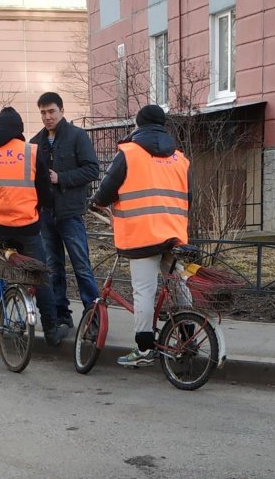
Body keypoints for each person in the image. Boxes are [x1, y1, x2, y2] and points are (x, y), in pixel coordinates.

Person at [89, 104, 192, 367]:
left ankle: (144, 350)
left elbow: (106, 190)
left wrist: (96, 201)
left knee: (144, 291)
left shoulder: (130, 153)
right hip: (174, 233)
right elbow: (188, 197)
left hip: (142, 236)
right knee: (179, 285)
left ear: (138, 124)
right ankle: (188, 336)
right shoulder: (179, 158)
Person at [0, 107, 69, 346]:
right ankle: (51, 330)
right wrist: (34, 209)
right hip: (27, 228)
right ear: (19, 130)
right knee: (39, 274)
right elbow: (45, 193)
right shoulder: (32, 152)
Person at [30, 92, 100, 330]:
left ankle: (92, 317)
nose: (47, 117)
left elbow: (92, 170)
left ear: (61, 110)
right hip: (46, 214)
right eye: (43, 113)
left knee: (81, 265)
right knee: (53, 266)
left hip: (70, 212)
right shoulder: (35, 142)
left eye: (51, 111)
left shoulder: (77, 136)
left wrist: (61, 178)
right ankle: (61, 314)